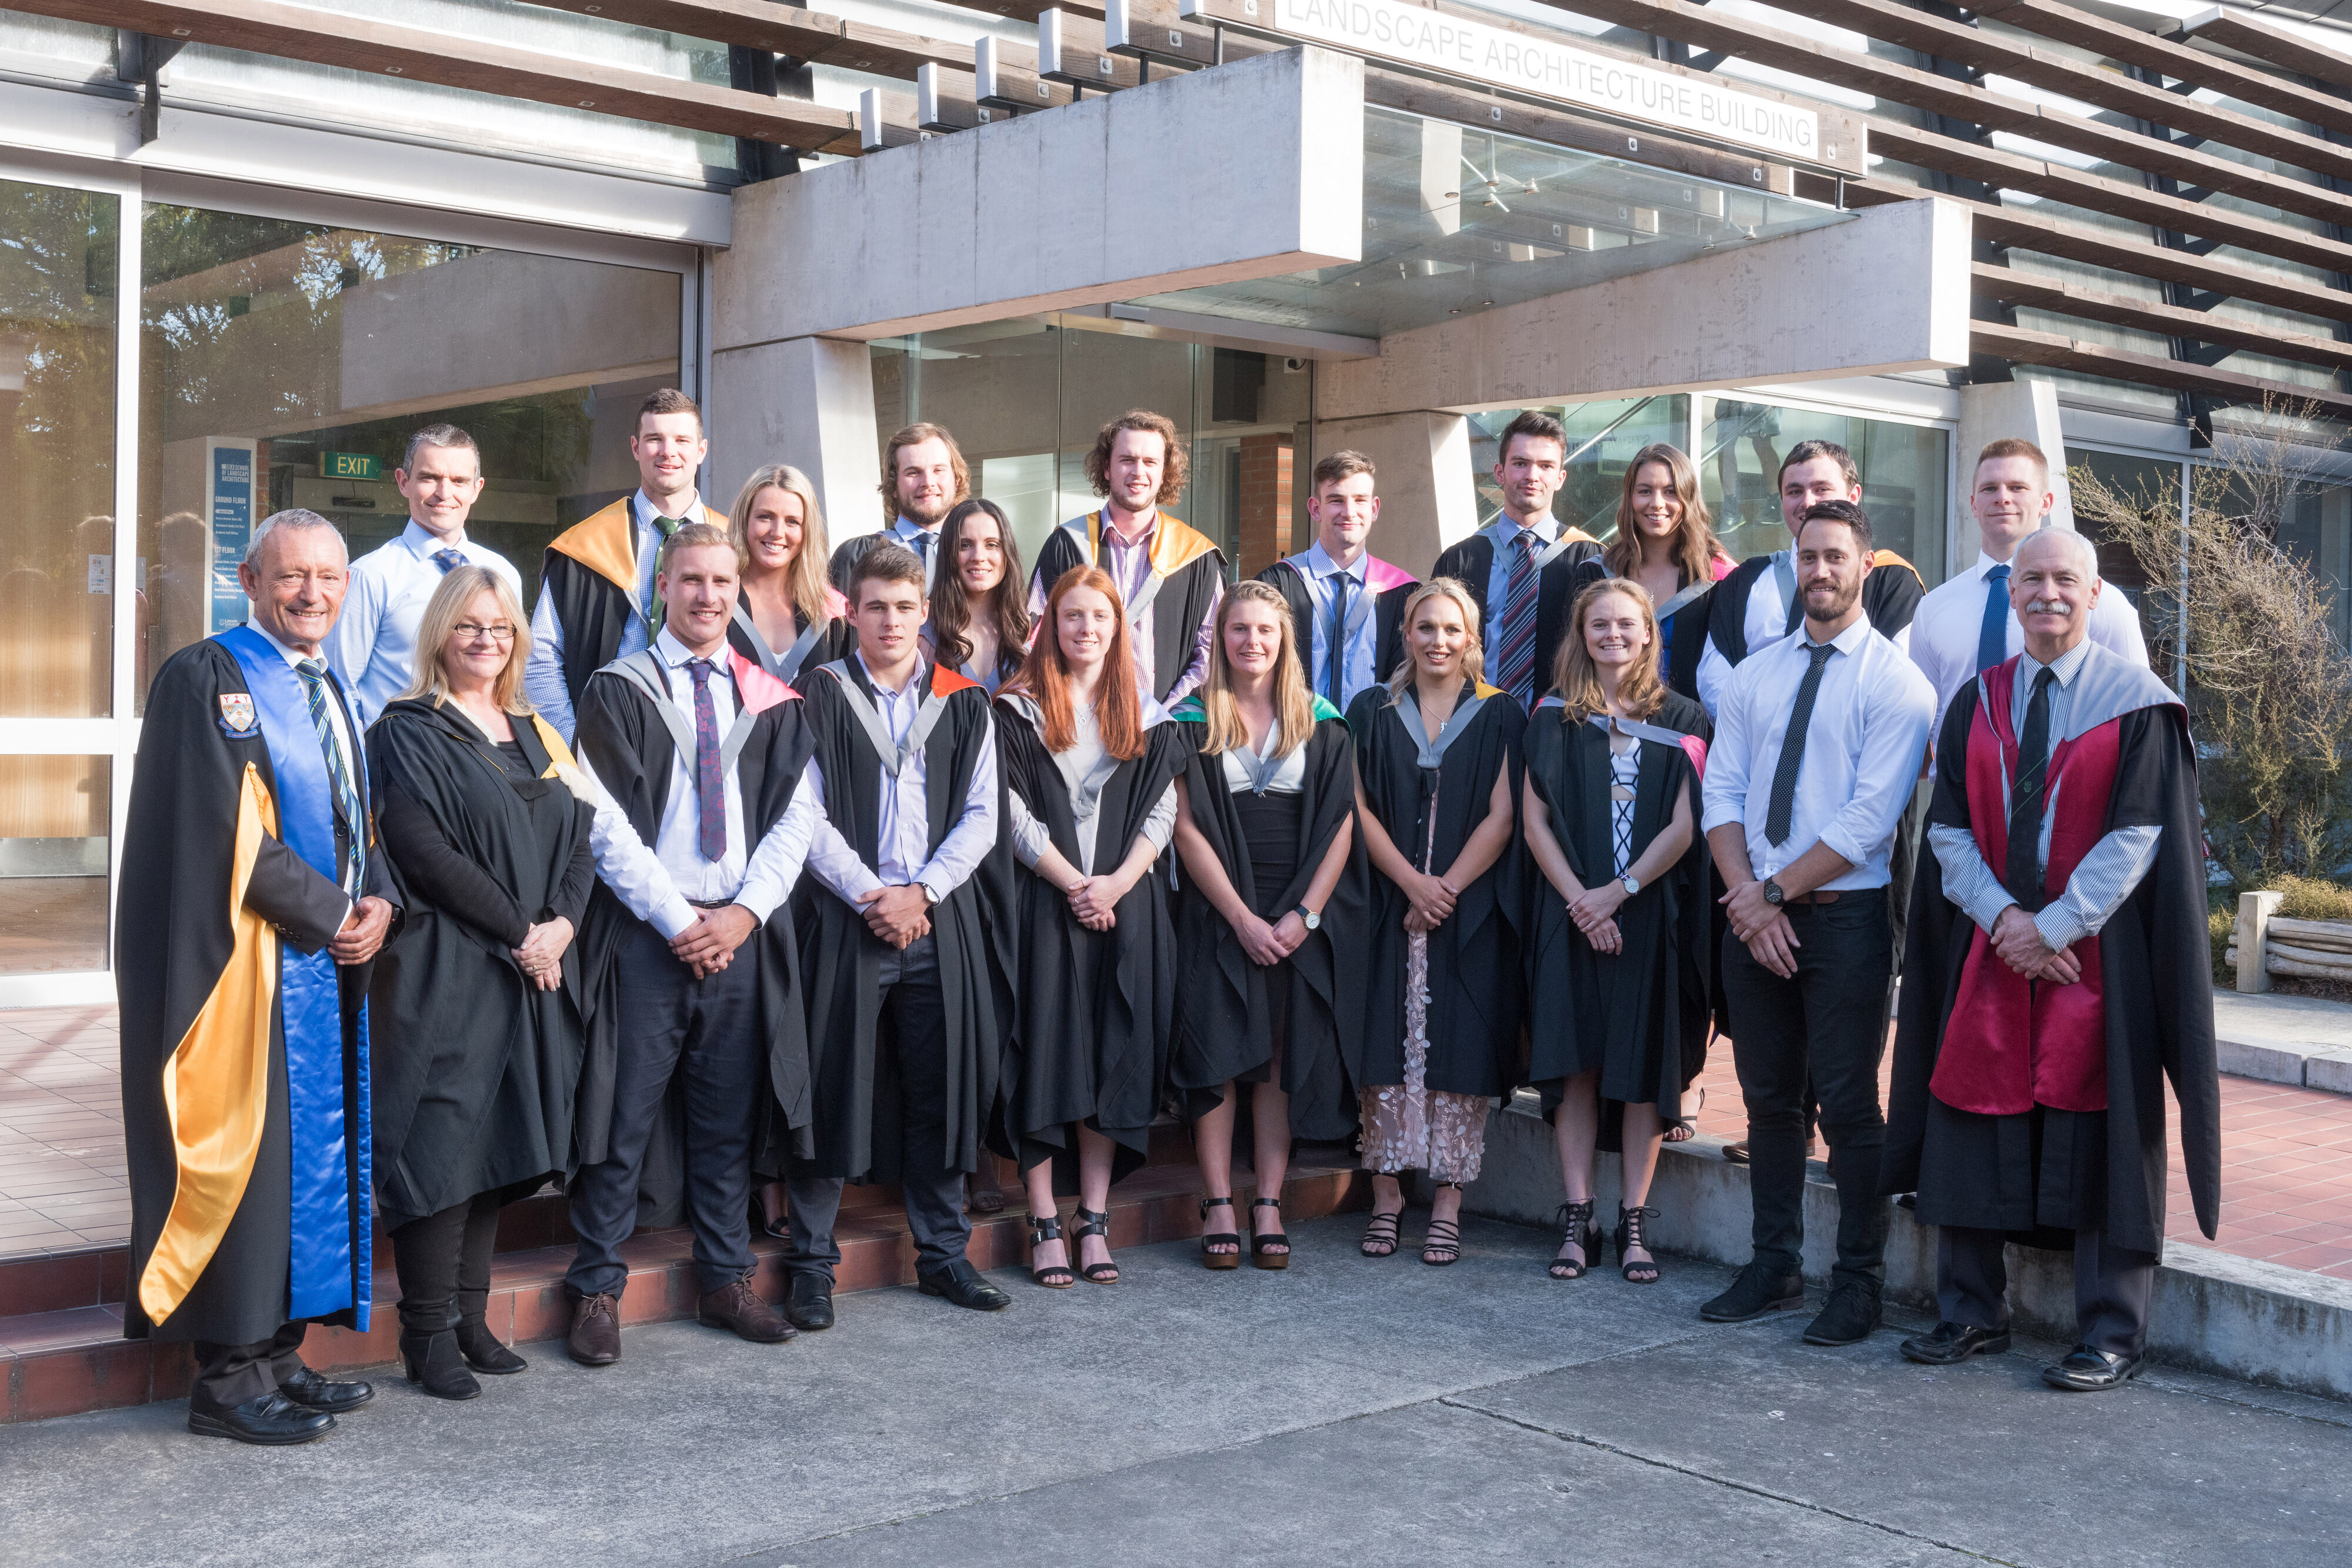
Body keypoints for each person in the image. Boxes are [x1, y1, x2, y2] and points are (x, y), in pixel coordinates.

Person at [1884, 528, 2219, 1391]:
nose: (2045, 593)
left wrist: (2055, 927)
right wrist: (2005, 919)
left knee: (2104, 1132)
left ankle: (2110, 1330)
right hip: (1994, 946)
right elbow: (1946, 829)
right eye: (2030, 578)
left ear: (2093, 592)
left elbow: (2138, 836)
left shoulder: (2139, 704)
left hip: (2096, 962)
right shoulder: (1973, 701)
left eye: (2062, 579)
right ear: (2011, 591)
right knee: (1968, 1113)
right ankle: (1968, 1311)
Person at [117, 509, 398, 1446]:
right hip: (241, 973)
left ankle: (278, 1351)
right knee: (249, 1156)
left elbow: (364, 820)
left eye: (327, 575)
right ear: (249, 577)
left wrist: (381, 900)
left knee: (300, 1164)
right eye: (290, 576)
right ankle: (226, 1381)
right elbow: (223, 833)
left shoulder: (333, 687)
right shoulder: (213, 677)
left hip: (314, 964)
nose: (310, 591)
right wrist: (333, 912)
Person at [561, 522, 823, 1366]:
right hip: (648, 933)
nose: (708, 595)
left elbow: (797, 818)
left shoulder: (767, 697)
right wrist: (677, 919)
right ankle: (596, 1285)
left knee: (724, 1119)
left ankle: (724, 1279)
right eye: (691, 580)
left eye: (721, 581)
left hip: (739, 929)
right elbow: (598, 819)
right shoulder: (619, 688)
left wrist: (743, 915)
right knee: (623, 1113)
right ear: (663, 589)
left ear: (737, 588)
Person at [1698, 500, 1933, 1346]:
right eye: (1807, 556)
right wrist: (1746, 895)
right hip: (1751, 913)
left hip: (1844, 923)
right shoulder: (1757, 674)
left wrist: (1770, 893)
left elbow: (1870, 821)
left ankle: (1858, 1281)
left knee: (1845, 1103)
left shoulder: (1895, 682)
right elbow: (1719, 791)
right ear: (1792, 563)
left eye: (1836, 556)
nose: (1820, 570)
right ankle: (1773, 1265)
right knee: (1766, 1102)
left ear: (1864, 566)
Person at [367, 567, 595, 1399]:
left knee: (495, 1144)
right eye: (468, 626)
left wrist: (562, 925)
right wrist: (522, 932)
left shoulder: (534, 728)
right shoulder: (407, 728)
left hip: (530, 969)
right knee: (440, 1148)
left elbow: (581, 836)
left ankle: (470, 1319)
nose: (485, 640)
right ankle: (424, 1336)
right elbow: (423, 849)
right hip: (451, 968)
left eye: (499, 628)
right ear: (439, 634)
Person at [790, 542, 1016, 1322]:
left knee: (941, 1083)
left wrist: (921, 890)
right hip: (847, 918)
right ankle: (811, 1263)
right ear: (849, 610)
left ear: (926, 611)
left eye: (903, 605)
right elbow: (802, 813)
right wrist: (869, 893)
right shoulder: (816, 694)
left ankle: (943, 1256)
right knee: (829, 1083)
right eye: (874, 605)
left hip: (934, 919)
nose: (889, 619)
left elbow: (985, 813)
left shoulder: (963, 701)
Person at [995, 566, 1190, 1288]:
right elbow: (1008, 813)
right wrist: (1075, 882)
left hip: (1124, 907)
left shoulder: (1148, 715)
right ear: (1052, 625)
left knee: (1114, 1052)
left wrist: (1116, 881)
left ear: (1117, 627)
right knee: (1046, 1054)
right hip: (1044, 906)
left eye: (1098, 618)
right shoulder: (1014, 710)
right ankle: (1044, 1217)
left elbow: (1163, 814)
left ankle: (1095, 1216)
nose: (1085, 629)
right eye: (1072, 616)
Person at [1170, 581, 1366, 1270]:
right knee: (1220, 1054)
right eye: (1238, 629)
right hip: (1220, 906)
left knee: (1280, 1058)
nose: (1251, 641)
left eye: (1265, 630)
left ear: (1285, 640)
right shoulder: (1192, 719)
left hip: (1295, 910)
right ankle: (1219, 1199)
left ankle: (1270, 1201)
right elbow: (1186, 828)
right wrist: (1242, 918)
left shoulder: (1322, 720)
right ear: (1219, 639)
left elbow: (1343, 822)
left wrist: (1303, 915)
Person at [1523, 581, 1713, 1285]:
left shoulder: (1684, 715)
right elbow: (1534, 817)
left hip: (1648, 913)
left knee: (1641, 1071)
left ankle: (1633, 1217)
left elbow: (1685, 826)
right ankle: (1579, 1215)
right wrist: (1581, 901)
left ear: (1647, 633)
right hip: (1570, 913)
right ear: (1582, 632)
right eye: (1599, 624)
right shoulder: (1553, 714)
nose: (1613, 635)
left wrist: (1618, 893)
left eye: (1626, 624)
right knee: (1577, 1064)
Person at [1344, 579, 1522, 1267]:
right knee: (1386, 1041)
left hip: (1466, 903)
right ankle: (1387, 1196)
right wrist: (1412, 882)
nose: (1438, 641)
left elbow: (1504, 814)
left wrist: (1444, 888)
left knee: (1461, 1041)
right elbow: (1356, 805)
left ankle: (1447, 1200)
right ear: (1406, 634)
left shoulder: (1501, 713)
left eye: (1452, 629)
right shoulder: (1372, 708)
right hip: (1390, 897)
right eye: (1426, 627)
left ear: (1473, 638)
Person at [1908, 439, 2150, 743]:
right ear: (1973, 504)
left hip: (2061, 783)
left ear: (2046, 502)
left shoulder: (2098, 603)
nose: (2002, 498)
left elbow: (2138, 710)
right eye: (1989, 489)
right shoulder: (1933, 609)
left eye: (2018, 488)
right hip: (1961, 785)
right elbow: (1923, 717)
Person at [525, 388, 729, 740]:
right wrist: (578, 747)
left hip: (711, 741)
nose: (668, 452)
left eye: (682, 440)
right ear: (635, 448)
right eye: (655, 439)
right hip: (610, 737)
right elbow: (541, 657)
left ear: (701, 450)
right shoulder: (583, 547)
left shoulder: (733, 545)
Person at [1696, 438, 1925, 720]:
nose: (1808, 502)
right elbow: (1713, 675)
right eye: (1794, 491)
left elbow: (1900, 679)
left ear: (1853, 496)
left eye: (1821, 489)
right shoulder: (1744, 581)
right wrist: (1761, 731)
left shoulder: (1892, 581)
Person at [1030, 410, 1226, 716]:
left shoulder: (1197, 557)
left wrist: (1164, 717)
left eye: (1150, 462)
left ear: (1164, 473)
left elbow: (1211, 651)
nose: (1138, 471)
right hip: (1076, 723)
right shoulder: (1067, 544)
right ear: (1107, 468)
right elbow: (1035, 636)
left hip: (1169, 729)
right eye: (1127, 460)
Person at [326, 425, 521, 725]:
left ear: (476, 489)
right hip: (401, 759)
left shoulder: (504, 574)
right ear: (403, 482)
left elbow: (510, 678)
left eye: (459, 481)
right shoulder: (370, 576)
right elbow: (340, 689)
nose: (445, 493)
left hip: (486, 758)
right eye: (430, 478)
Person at [1433, 410, 1603, 714]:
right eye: (1520, 463)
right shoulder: (1460, 559)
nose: (1532, 476)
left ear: (1560, 478)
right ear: (1500, 473)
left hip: (1559, 719)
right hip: (1471, 718)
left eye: (1546, 466)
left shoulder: (1589, 560)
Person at [1572, 443, 1733, 705]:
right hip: (1606, 725)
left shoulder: (1719, 580)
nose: (1657, 504)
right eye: (1645, 491)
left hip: (1690, 733)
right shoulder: (1596, 574)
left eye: (1671, 492)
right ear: (1630, 498)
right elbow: (1575, 661)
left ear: (1688, 498)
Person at [1258, 450, 1419, 710]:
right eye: (1336, 500)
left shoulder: (1403, 594)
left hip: (1373, 743)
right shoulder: (1276, 586)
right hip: (1295, 739)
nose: (1349, 512)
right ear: (1315, 508)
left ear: (1374, 509)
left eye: (1360, 500)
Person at [727, 463, 852, 686]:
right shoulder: (716, 601)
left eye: (792, 522)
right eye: (765, 517)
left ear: (807, 531)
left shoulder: (835, 612)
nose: (777, 533)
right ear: (744, 520)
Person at [828, 422, 970, 594]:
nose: (928, 482)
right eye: (913, 472)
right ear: (893, 486)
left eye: (939, 470)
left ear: (956, 480)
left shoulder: (977, 556)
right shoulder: (858, 556)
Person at [930, 497, 1033, 693]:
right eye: (965, 545)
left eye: (992, 545)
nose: (978, 556)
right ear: (949, 553)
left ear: (1007, 552)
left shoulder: (1027, 629)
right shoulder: (924, 632)